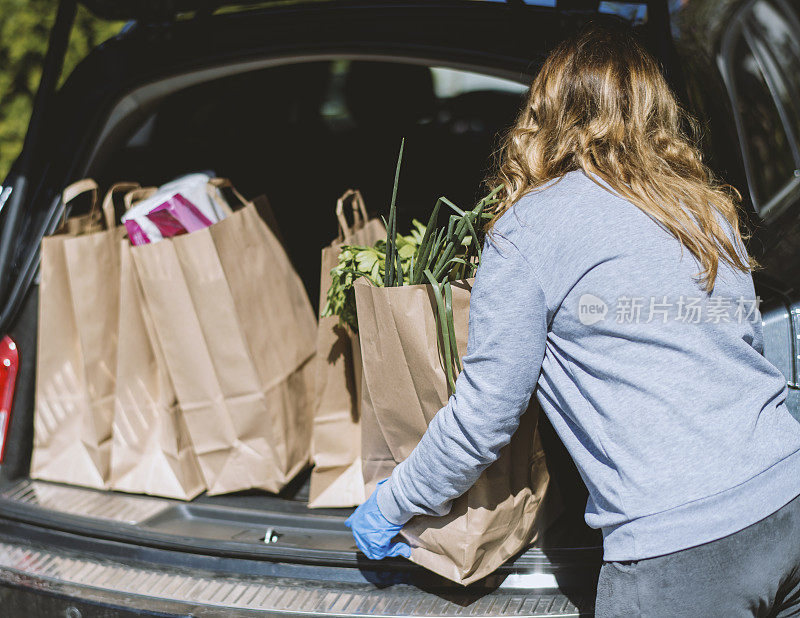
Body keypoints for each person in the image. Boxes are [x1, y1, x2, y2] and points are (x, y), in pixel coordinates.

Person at [345, 22, 800, 617]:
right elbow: (740, 352)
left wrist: (393, 502)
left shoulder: (527, 232)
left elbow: (483, 418)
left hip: (678, 553)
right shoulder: (704, 206)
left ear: (545, 112)